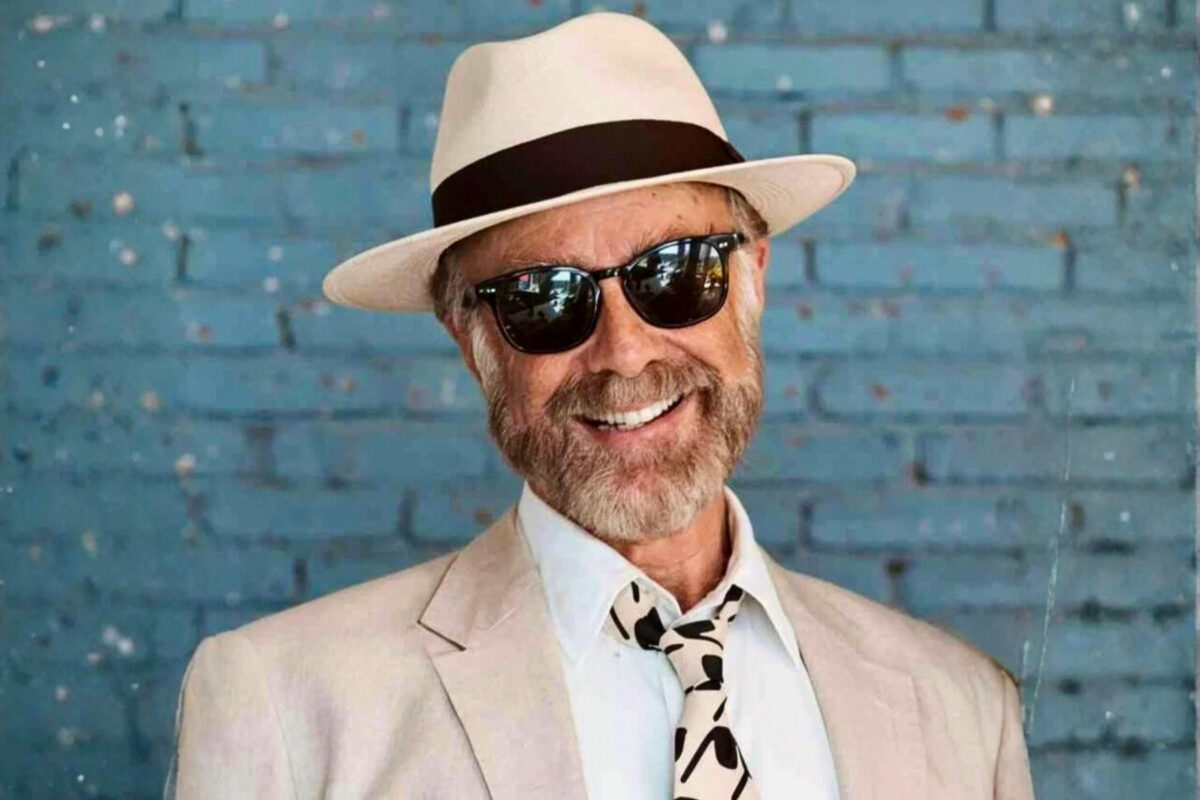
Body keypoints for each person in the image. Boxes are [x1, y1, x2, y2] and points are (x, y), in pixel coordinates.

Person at [165, 11, 1036, 800]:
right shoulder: (285, 706)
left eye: (676, 271)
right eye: (543, 298)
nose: (625, 353)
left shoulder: (962, 710)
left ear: (754, 277)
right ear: (469, 339)